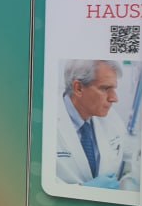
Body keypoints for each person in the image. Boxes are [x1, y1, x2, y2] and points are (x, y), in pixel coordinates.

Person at [55, 59, 133, 189]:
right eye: (105, 88)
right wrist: (83, 191)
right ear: (78, 88)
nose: (114, 98)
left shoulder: (111, 117)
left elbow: (130, 157)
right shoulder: (46, 120)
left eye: (113, 89)